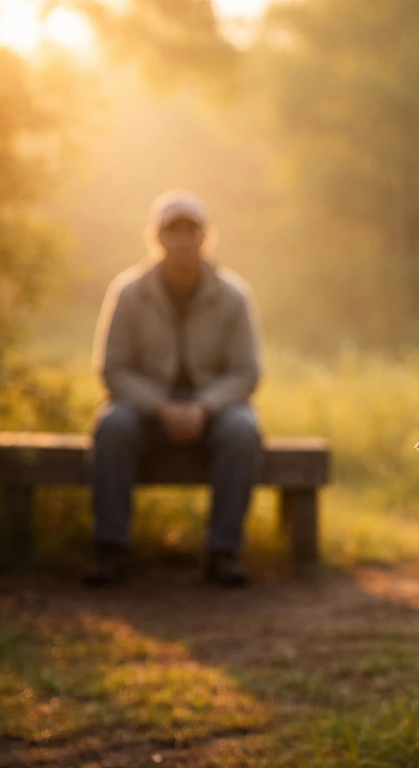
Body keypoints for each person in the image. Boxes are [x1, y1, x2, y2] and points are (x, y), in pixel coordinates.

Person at [86, 190, 263, 587]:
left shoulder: (234, 296)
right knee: (112, 426)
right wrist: (160, 406)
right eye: (173, 231)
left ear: (205, 236)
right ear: (156, 236)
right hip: (146, 410)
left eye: (191, 231)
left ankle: (224, 553)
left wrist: (203, 406)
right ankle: (110, 551)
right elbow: (113, 370)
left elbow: (246, 373)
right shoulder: (129, 292)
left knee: (243, 430)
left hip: (213, 411)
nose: (182, 240)